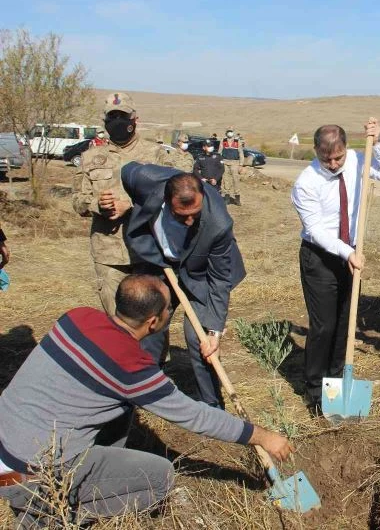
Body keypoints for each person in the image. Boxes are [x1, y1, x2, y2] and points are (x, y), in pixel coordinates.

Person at [0, 275, 292, 528]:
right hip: (28, 478)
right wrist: (263, 436)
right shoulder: (131, 369)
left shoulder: (77, 317)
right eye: (169, 309)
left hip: (4, 449)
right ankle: (49, 516)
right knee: (160, 477)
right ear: (154, 322)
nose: (170, 313)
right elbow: (197, 417)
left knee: (122, 407)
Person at [291, 118, 380, 415]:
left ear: (344, 148)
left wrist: (377, 144)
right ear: (316, 151)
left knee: (345, 322)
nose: (334, 163)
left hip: (353, 252)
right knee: (323, 325)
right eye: (327, 158)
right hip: (320, 257)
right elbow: (315, 229)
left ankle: (336, 381)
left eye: (338, 156)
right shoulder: (306, 182)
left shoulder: (357, 159)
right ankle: (314, 389)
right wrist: (344, 253)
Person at [122, 167, 246, 408]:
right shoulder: (142, 178)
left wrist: (214, 332)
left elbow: (220, 279)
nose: (189, 221)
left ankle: (212, 405)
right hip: (161, 264)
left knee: (200, 339)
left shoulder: (218, 223)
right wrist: (125, 204)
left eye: (195, 214)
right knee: (150, 324)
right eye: (181, 215)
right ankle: (149, 385)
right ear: (166, 202)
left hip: (201, 272)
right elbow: (126, 172)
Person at [72, 92, 166, 315]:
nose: (117, 122)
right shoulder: (90, 157)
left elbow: (170, 196)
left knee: (150, 323)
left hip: (148, 251)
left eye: (123, 116)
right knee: (117, 323)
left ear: (135, 120)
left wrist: (132, 205)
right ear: (104, 122)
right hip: (108, 254)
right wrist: (97, 204)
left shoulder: (156, 155)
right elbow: (77, 201)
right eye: (112, 117)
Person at [219, 126, 244, 205]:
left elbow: (241, 153)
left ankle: (237, 199)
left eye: (231, 131)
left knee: (235, 180)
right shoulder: (223, 140)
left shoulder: (237, 141)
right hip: (225, 162)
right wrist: (219, 162)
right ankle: (227, 198)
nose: (230, 132)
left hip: (235, 163)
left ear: (233, 132)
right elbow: (219, 152)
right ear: (226, 132)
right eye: (229, 131)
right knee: (226, 180)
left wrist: (241, 164)